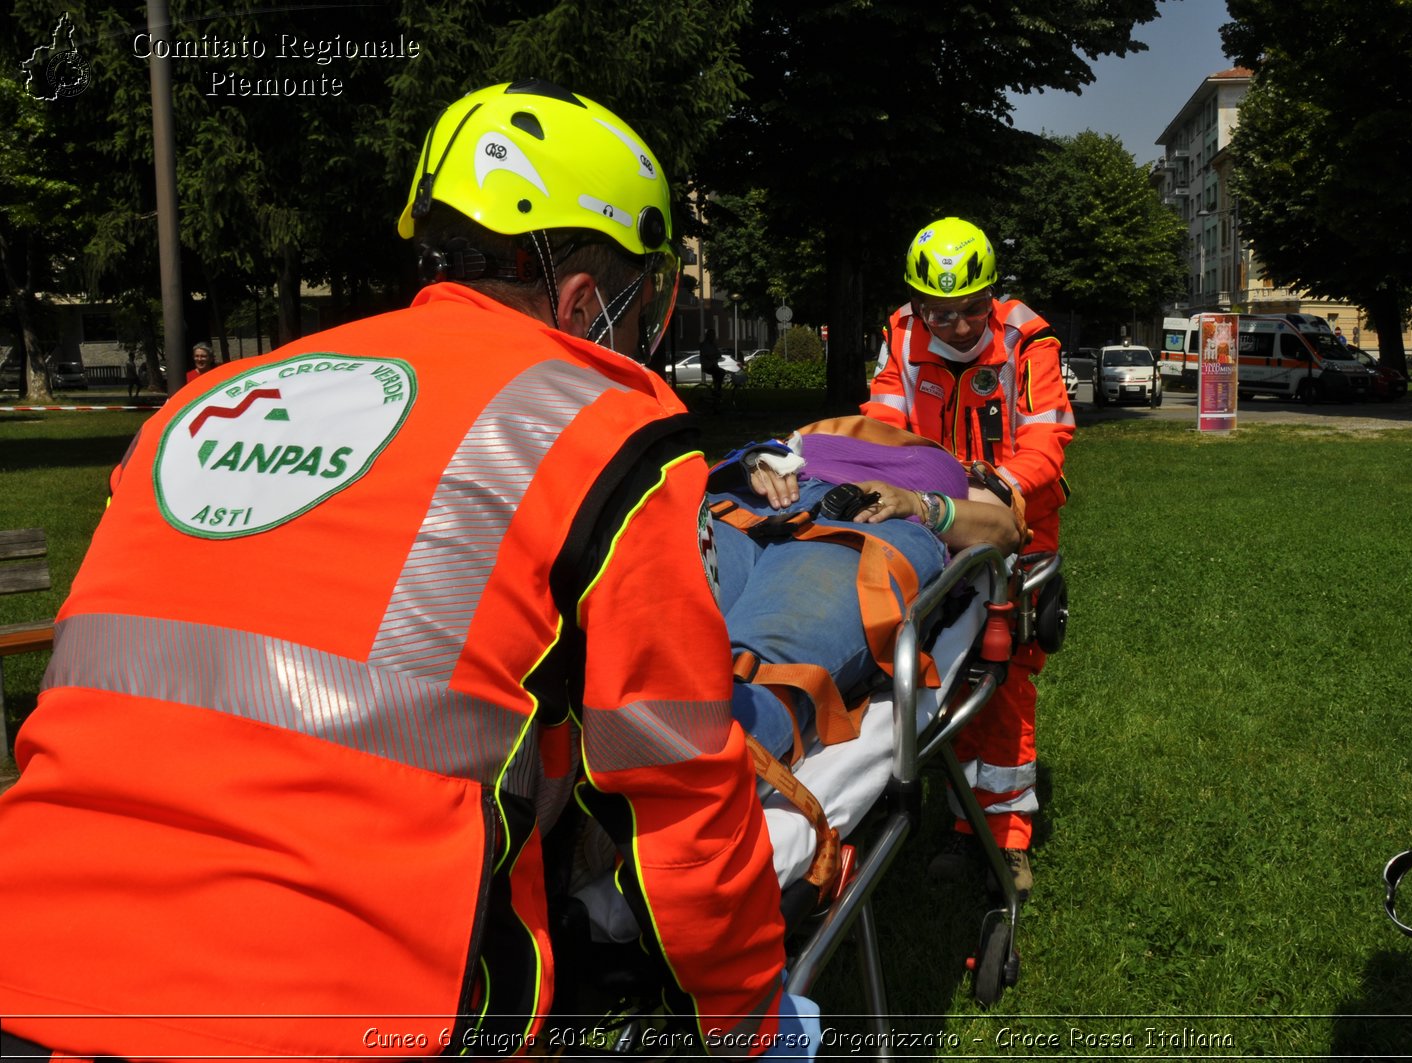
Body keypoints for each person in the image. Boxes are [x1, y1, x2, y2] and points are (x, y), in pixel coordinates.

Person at [0, 80, 815, 1061]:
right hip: (347, 1005)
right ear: (586, 302)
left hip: (36, 970)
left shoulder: (203, 405)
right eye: (641, 306)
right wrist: (747, 1019)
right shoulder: (604, 434)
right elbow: (676, 784)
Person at [862, 216, 1074, 899]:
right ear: (919, 304)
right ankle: (962, 826)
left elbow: (1045, 443)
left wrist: (997, 488)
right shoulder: (900, 335)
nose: (955, 328)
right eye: (940, 313)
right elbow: (883, 424)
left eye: (971, 310)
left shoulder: (1026, 340)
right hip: (932, 527)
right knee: (948, 672)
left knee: (1004, 678)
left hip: (1016, 528)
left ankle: (1007, 841)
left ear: (992, 294)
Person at [710, 416, 1024, 761]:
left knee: (761, 672)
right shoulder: (809, 434)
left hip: (868, 525)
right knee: (664, 633)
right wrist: (751, 462)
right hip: (739, 507)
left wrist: (918, 504)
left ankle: (692, 770)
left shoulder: (959, 471)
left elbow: (1006, 532)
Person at [700, 327, 728, 411]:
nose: (713, 337)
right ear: (708, 335)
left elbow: (718, 354)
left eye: (714, 335)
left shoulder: (713, 344)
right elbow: (708, 356)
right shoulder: (704, 345)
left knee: (720, 374)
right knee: (721, 372)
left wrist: (715, 356)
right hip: (708, 366)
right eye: (712, 335)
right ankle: (717, 390)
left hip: (714, 365)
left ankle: (715, 402)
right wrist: (714, 356)